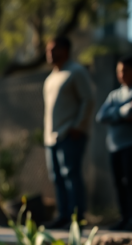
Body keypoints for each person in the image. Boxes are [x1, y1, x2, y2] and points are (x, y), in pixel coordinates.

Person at [43, 35, 94, 229]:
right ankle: (63, 216)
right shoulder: (51, 77)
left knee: (71, 175)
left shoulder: (76, 71)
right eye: (48, 49)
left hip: (70, 134)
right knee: (56, 178)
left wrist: (78, 126)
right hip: (51, 137)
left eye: (53, 49)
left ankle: (77, 217)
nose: (49, 53)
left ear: (65, 50)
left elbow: (88, 99)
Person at [96, 56, 132, 232]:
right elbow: (101, 116)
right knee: (118, 182)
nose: (121, 74)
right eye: (119, 71)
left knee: (131, 180)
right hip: (115, 145)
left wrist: (116, 114)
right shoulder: (114, 95)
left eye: (125, 70)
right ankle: (124, 218)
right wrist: (123, 112)